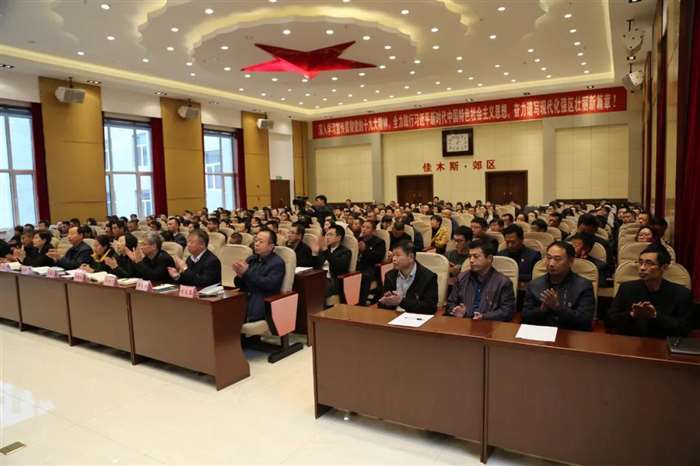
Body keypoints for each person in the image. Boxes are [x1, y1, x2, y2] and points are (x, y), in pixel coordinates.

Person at [606, 245, 692, 338]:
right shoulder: (626, 288)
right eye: (640, 262)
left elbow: (684, 329)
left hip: (663, 343)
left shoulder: (681, 293)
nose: (642, 268)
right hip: (630, 341)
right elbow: (609, 321)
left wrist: (655, 316)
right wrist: (632, 314)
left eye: (649, 263)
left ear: (664, 267)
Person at [522, 241, 595, 331]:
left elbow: (585, 322)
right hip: (540, 333)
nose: (551, 264)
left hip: (570, 334)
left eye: (557, 259)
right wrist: (541, 310)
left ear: (570, 261)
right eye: (549, 258)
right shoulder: (534, 284)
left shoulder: (584, 286)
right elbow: (525, 317)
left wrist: (558, 308)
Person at [445, 239, 516, 321]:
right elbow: (450, 303)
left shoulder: (503, 282)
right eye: (470, 257)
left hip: (490, 325)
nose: (471, 260)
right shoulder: (461, 277)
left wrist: (483, 316)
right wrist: (455, 310)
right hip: (463, 323)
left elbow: (507, 312)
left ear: (489, 258)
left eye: (476, 256)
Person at [233, 230, 286, 322]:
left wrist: (247, 273)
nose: (256, 244)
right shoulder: (251, 259)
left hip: (263, 299)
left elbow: (270, 285)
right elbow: (240, 285)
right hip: (247, 296)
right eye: (256, 240)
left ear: (271, 246)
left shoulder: (277, 263)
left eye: (261, 242)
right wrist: (239, 275)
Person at [378, 241, 438, 314]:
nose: (394, 259)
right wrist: (387, 301)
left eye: (397, 255)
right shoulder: (390, 275)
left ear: (411, 257)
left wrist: (401, 301)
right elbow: (381, 305)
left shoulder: (429, 277)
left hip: (416, 317)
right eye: (393, 255)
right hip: (394, 316)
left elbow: (430, 308)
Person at [311, 224, 351, 297]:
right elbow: (316, 267)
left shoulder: (345, 251)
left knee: (317, 291)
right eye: (326, 234)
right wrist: (315, 253)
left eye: (330, 235)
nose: (327, 237)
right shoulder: (324, 249)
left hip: (334, 281)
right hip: (320, 278)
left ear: (338, 238)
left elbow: (339, 266)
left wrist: (325, 250)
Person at [357, 220, 386, 304]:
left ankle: (361, 303)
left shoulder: (379, 242)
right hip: (359, 265)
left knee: (365, 276)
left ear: (373, 231)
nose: (364, 229)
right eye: (363, 227)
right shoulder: (358, 239)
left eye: (367, 228)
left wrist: (365, 250)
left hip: (371, 267)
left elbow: (378, 257)